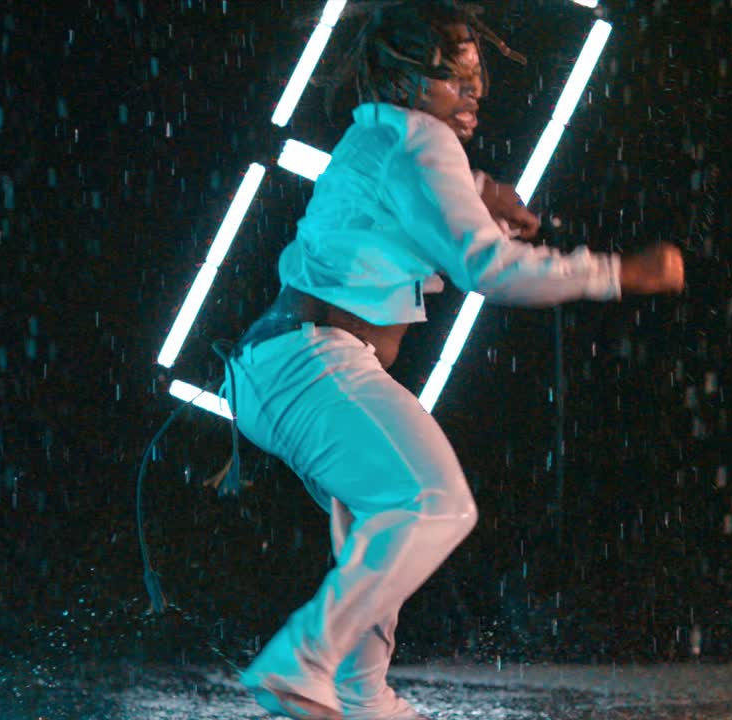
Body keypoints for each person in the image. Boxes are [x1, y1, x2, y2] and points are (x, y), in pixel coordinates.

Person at [220, 3, 684, 718]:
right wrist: (620, 272)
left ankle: (360, 695)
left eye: (475, 77)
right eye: (451, 77)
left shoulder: (375, 138)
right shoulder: (417, 142)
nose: (471, 93)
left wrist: (475, 191)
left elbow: (403, 210)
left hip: (276, 370)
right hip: (308, 365)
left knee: (382, 524)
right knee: (432, 503)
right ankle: (298, 664)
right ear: (405, 83)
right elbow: (489, 270)